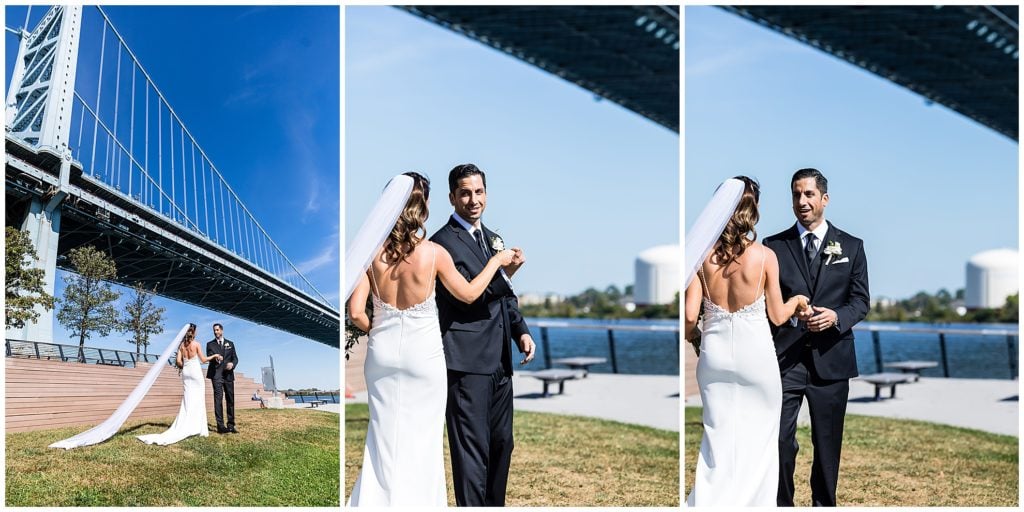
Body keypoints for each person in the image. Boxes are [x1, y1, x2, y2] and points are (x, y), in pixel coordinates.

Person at [347, 172, 516, 507]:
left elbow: (355, 313)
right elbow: (468, 295)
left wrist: (380, 331)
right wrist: (497, 261)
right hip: (423, 357)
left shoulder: (371, 256)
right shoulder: (433, 253)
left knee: (382, 435)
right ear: (422, 207)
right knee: (422, 439)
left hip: (381, 354)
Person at [685, 176, 809, 506]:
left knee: (717, 438)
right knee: (760, 439)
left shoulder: (701, 258)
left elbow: (687, 316)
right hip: (757, 359)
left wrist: (695, 336)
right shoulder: (765, 256)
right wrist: (797, 300)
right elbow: (779, 316)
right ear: (753, 211)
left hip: (714, 358)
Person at [430, 163, 536, 507]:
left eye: (478, 192)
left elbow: (503, 293)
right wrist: (503, 273)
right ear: (451, 198)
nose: (472, 200)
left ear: (486, 194)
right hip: (465, 361)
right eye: (464, 193)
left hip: (500, 362)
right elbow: (464, 299)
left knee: (503, 443)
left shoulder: (493, 238)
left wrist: (520, 330)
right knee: (471, 454)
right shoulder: (441, 245)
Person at [764, 168, 869, 507]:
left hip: (832, 361)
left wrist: (836, 317)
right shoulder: (773, 247)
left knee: (827, 445)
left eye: (809, 194)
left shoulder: (852, 246)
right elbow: (766, 304)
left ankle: (824, 505)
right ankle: (782, 504)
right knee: (779, 441)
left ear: (824, 198)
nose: (802, 201)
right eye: (796, 194)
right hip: (785, 362)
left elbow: (861, 302)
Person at [138, 323, 222, 445]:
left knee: (187, 399)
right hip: (195, 372)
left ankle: (187, 423)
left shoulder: (182, 346)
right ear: (193, 332)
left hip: (186, 372)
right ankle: (198, 428)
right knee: (198, 399)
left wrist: (186, 366)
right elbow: (203, 360)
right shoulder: (196, 344)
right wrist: (214, 355)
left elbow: (178, 361)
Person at [206, 323, 239, 434]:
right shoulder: (210, 344)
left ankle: (231, 425)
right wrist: (216, 358)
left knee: (230, 400)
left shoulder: (231, 343)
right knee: (218, 399)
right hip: (216, 375)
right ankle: (220, 426)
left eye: (217, 330)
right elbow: (210, 356)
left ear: (222, 330)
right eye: (214, 330)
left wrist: (232, 364)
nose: (216, 332)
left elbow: (235, 358)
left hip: (228, 375)